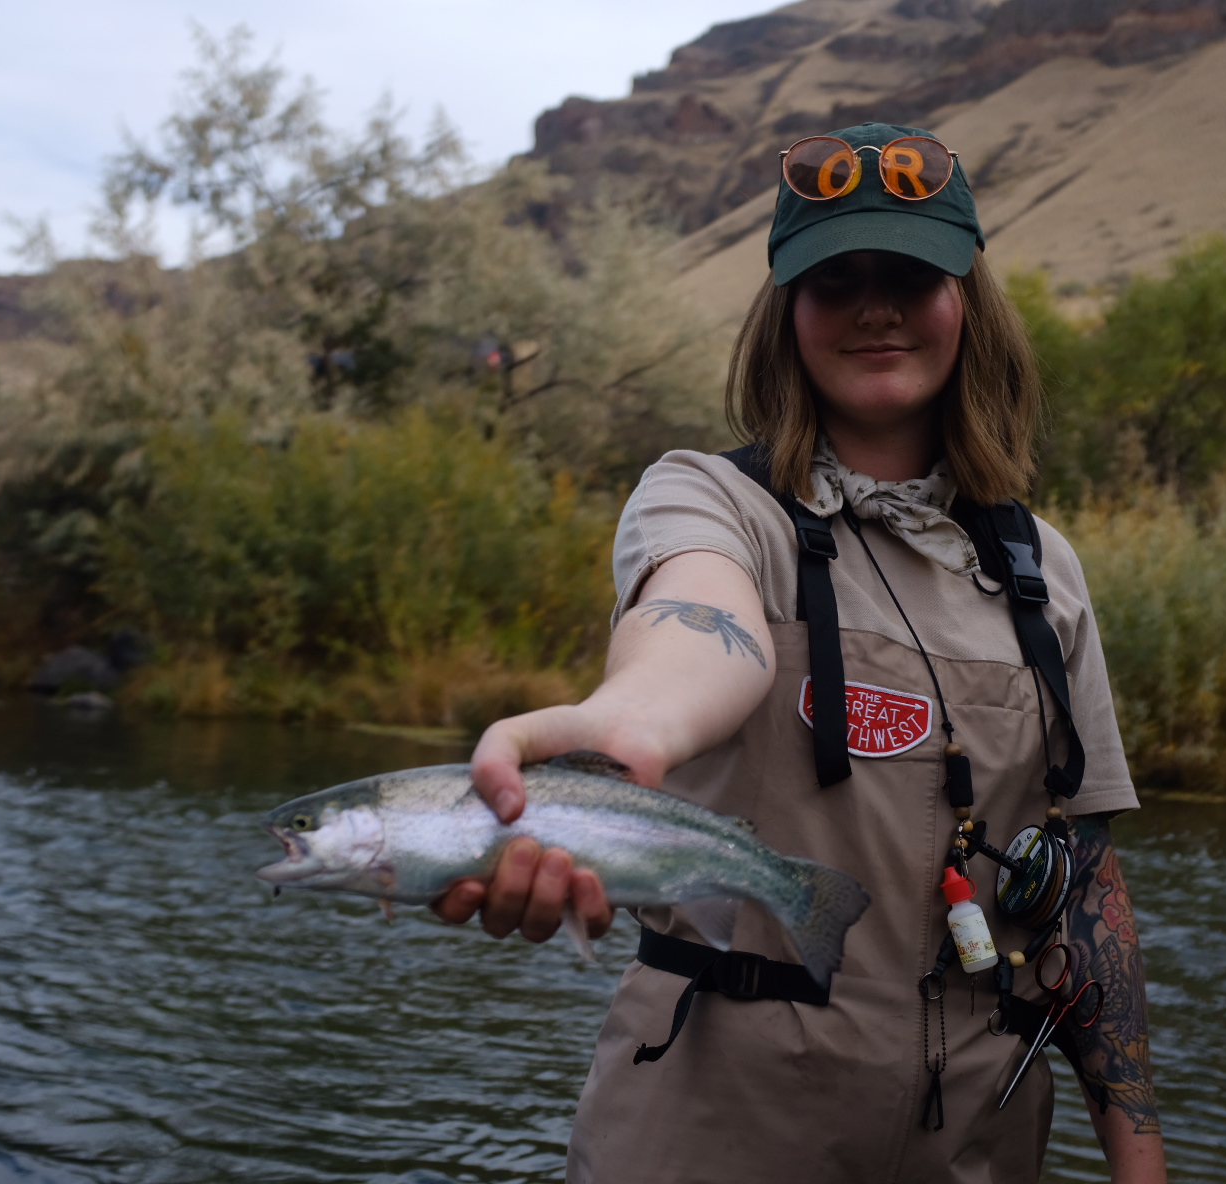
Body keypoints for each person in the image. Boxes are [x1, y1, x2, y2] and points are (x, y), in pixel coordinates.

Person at [433, 122, 1167, 1184]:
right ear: (789, 314)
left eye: (910, 274)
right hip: (709, 1134)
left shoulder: (1042, 566)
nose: (875, 305)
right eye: (835, 277)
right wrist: (639, 721)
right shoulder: (707, 499)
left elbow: (1088, 880)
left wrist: (1139, 1167)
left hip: (980, 1149)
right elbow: (699, 626)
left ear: (969, 301)